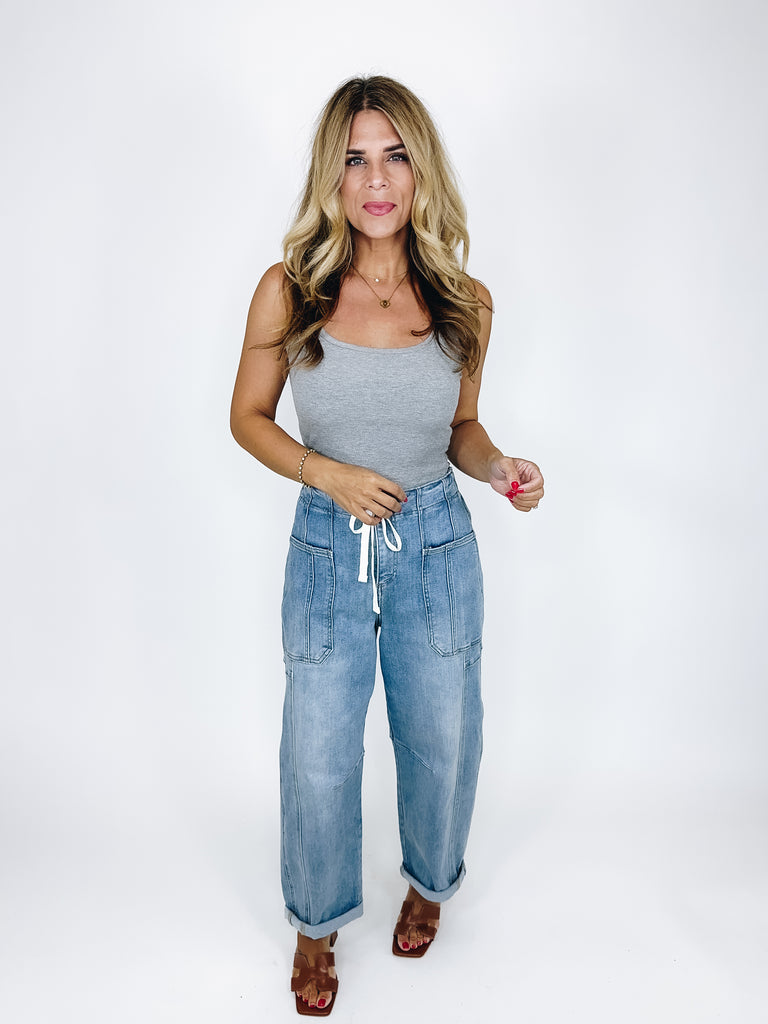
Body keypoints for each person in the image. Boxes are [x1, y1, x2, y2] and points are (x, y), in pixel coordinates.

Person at [230, 75, 544, 1017]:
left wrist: (499, 467)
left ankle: (428, 881)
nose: (377, 180)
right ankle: (315, 925)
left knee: (443, 737)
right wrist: (327, 475)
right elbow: (247, 418)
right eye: (356, 159)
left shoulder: (466, 302)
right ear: (332, 177)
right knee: (318, 751)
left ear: (421, 170)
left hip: (437, 543)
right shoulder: (288, 291)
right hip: (329, 547)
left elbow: (463, 429)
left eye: (396, 156)